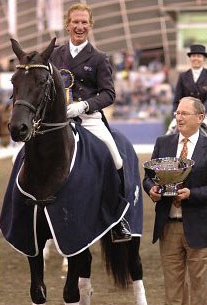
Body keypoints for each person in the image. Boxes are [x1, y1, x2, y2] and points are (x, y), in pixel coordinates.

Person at [50, 4, 131, 242]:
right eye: (75, 22)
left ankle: (119, 219)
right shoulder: (54, 54)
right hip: (57, 119)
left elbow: (109, 93)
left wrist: (84, 105)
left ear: (90, 25)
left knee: (115, 157)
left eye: (84, 22)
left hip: (88, 118)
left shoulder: (98, 58)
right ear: (67, 24)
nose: (80, 26)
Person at [143, 96, 207, 305]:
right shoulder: (163, 143)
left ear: (200, 117)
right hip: (168, 228)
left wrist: (192, 194)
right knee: (172, 296)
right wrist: (151, 190)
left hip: (201, 229)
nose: (179, 118)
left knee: (202, 296)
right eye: (177, 113)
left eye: (184, 114)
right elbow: (148, 178)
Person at [172, 44, 207, 145]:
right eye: (193, 56)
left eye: (199, 56)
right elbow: (177, 99)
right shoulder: (183, 76)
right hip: (184, 114)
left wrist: (199, 112)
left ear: (204, 58)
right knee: (169, 133)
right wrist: (177, 114)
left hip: (206, 114)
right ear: (190, 58)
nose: (196, 58)